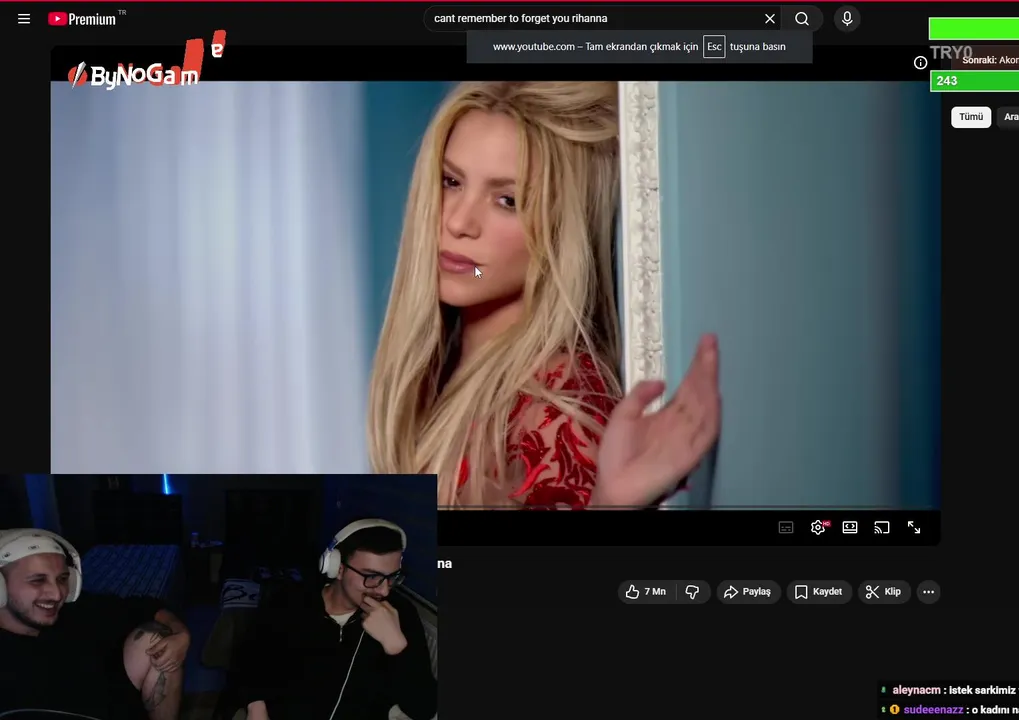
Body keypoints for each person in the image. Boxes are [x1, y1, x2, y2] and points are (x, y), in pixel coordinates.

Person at [367, 81, 721, 509]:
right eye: (451, 181)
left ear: (561, 229)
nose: (459, 222)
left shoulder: (555, 411)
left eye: (507, 200)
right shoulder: (448, 373)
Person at [240, 520, 435, 720]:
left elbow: (423, 709)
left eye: (392, 577)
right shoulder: (289, 602)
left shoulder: (400, 613)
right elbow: (250, 660)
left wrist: (396, 647)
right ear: (337, 568)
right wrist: (256, 706)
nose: (384, 590)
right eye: (371, 576)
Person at [0, 528, 191, 720]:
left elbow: (148, 607)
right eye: (37, 581)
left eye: (62, 579)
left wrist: (181, 633)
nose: (57, 594)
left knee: (157, 638)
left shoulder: (79, 611)